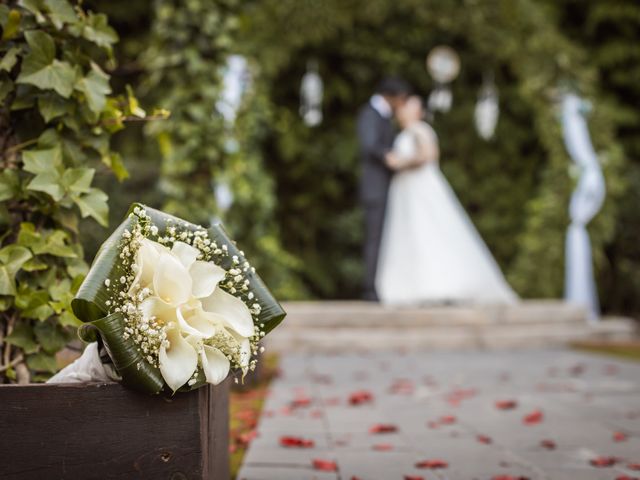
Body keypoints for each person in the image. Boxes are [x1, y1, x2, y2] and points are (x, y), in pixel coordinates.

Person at [376, 96, 518, 305]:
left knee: (430, 230)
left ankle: (442, 283)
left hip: (421, 187)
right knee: (409, 234)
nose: (405, 111)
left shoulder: (420, 129)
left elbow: (429, 155)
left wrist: (401, 163)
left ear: (420, 111)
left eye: (411, 107)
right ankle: (412, 284)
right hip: (405, 191)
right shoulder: (403, 134)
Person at [357, 77, 411, 301]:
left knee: (384, 238)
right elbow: (369, 145)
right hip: (375, 187)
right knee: (375, 237)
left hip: (388, 188)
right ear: (392, 96)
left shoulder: (383, 116)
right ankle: (370, 288)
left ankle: (380, 285)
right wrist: (388, 156)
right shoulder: (370, 114)